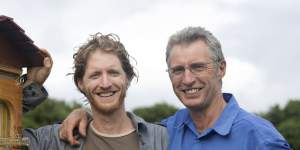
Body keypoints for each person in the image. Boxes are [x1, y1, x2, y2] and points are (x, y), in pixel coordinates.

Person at [60, 27, 291, 150]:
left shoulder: (260, 139)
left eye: (198, 67)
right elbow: (118, 127)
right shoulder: (166, 132)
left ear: (221, 68)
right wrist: (86, 113)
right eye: (178, 70)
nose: (188, 79)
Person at [22, 33, 168, 150]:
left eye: (113, 73)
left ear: (128, 78)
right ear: (81, 84)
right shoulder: (52, 141)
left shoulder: (163, 139)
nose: (105, 84)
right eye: (95, 75)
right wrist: (31, 85)